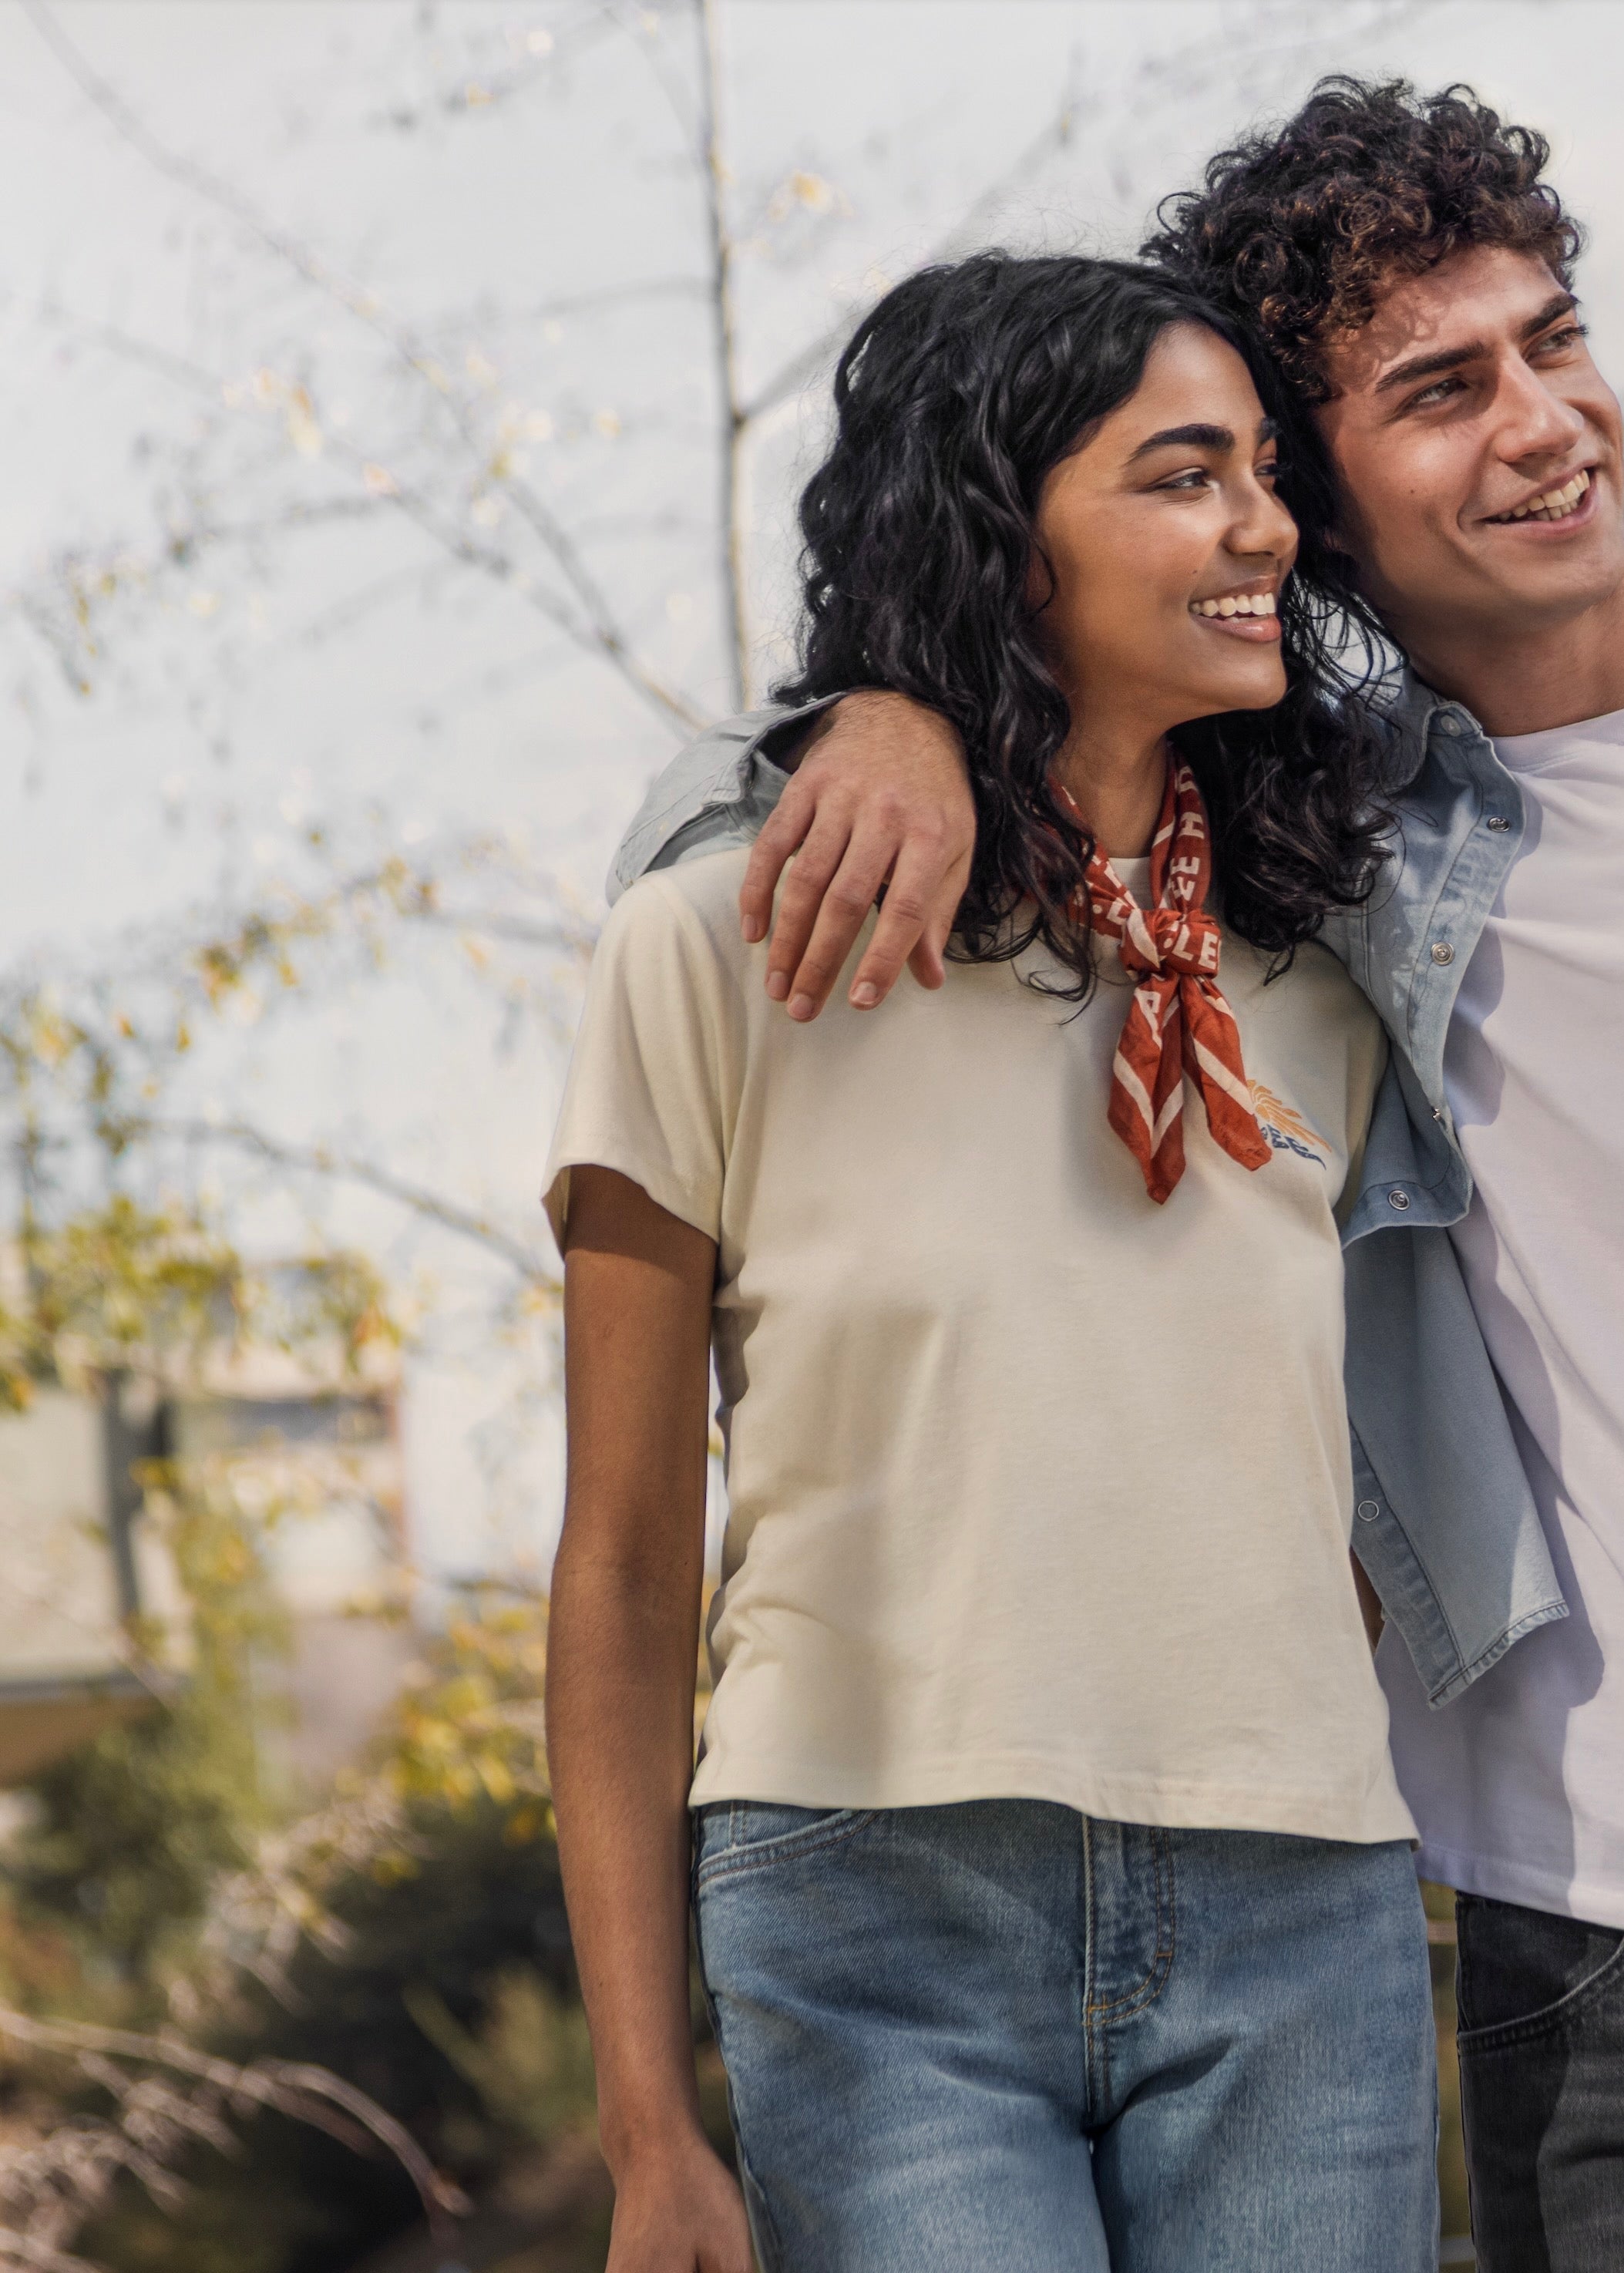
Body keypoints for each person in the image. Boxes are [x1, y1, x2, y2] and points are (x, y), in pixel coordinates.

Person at [610, 78, 1624, 2273]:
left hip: (1311, 1891)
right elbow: (935, 776)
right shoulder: (1352, 873)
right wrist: (872, 704)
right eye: (1437, 390)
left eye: (1556, 341)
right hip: (1557, 1906)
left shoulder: (1299, 917)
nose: (1544, 420)